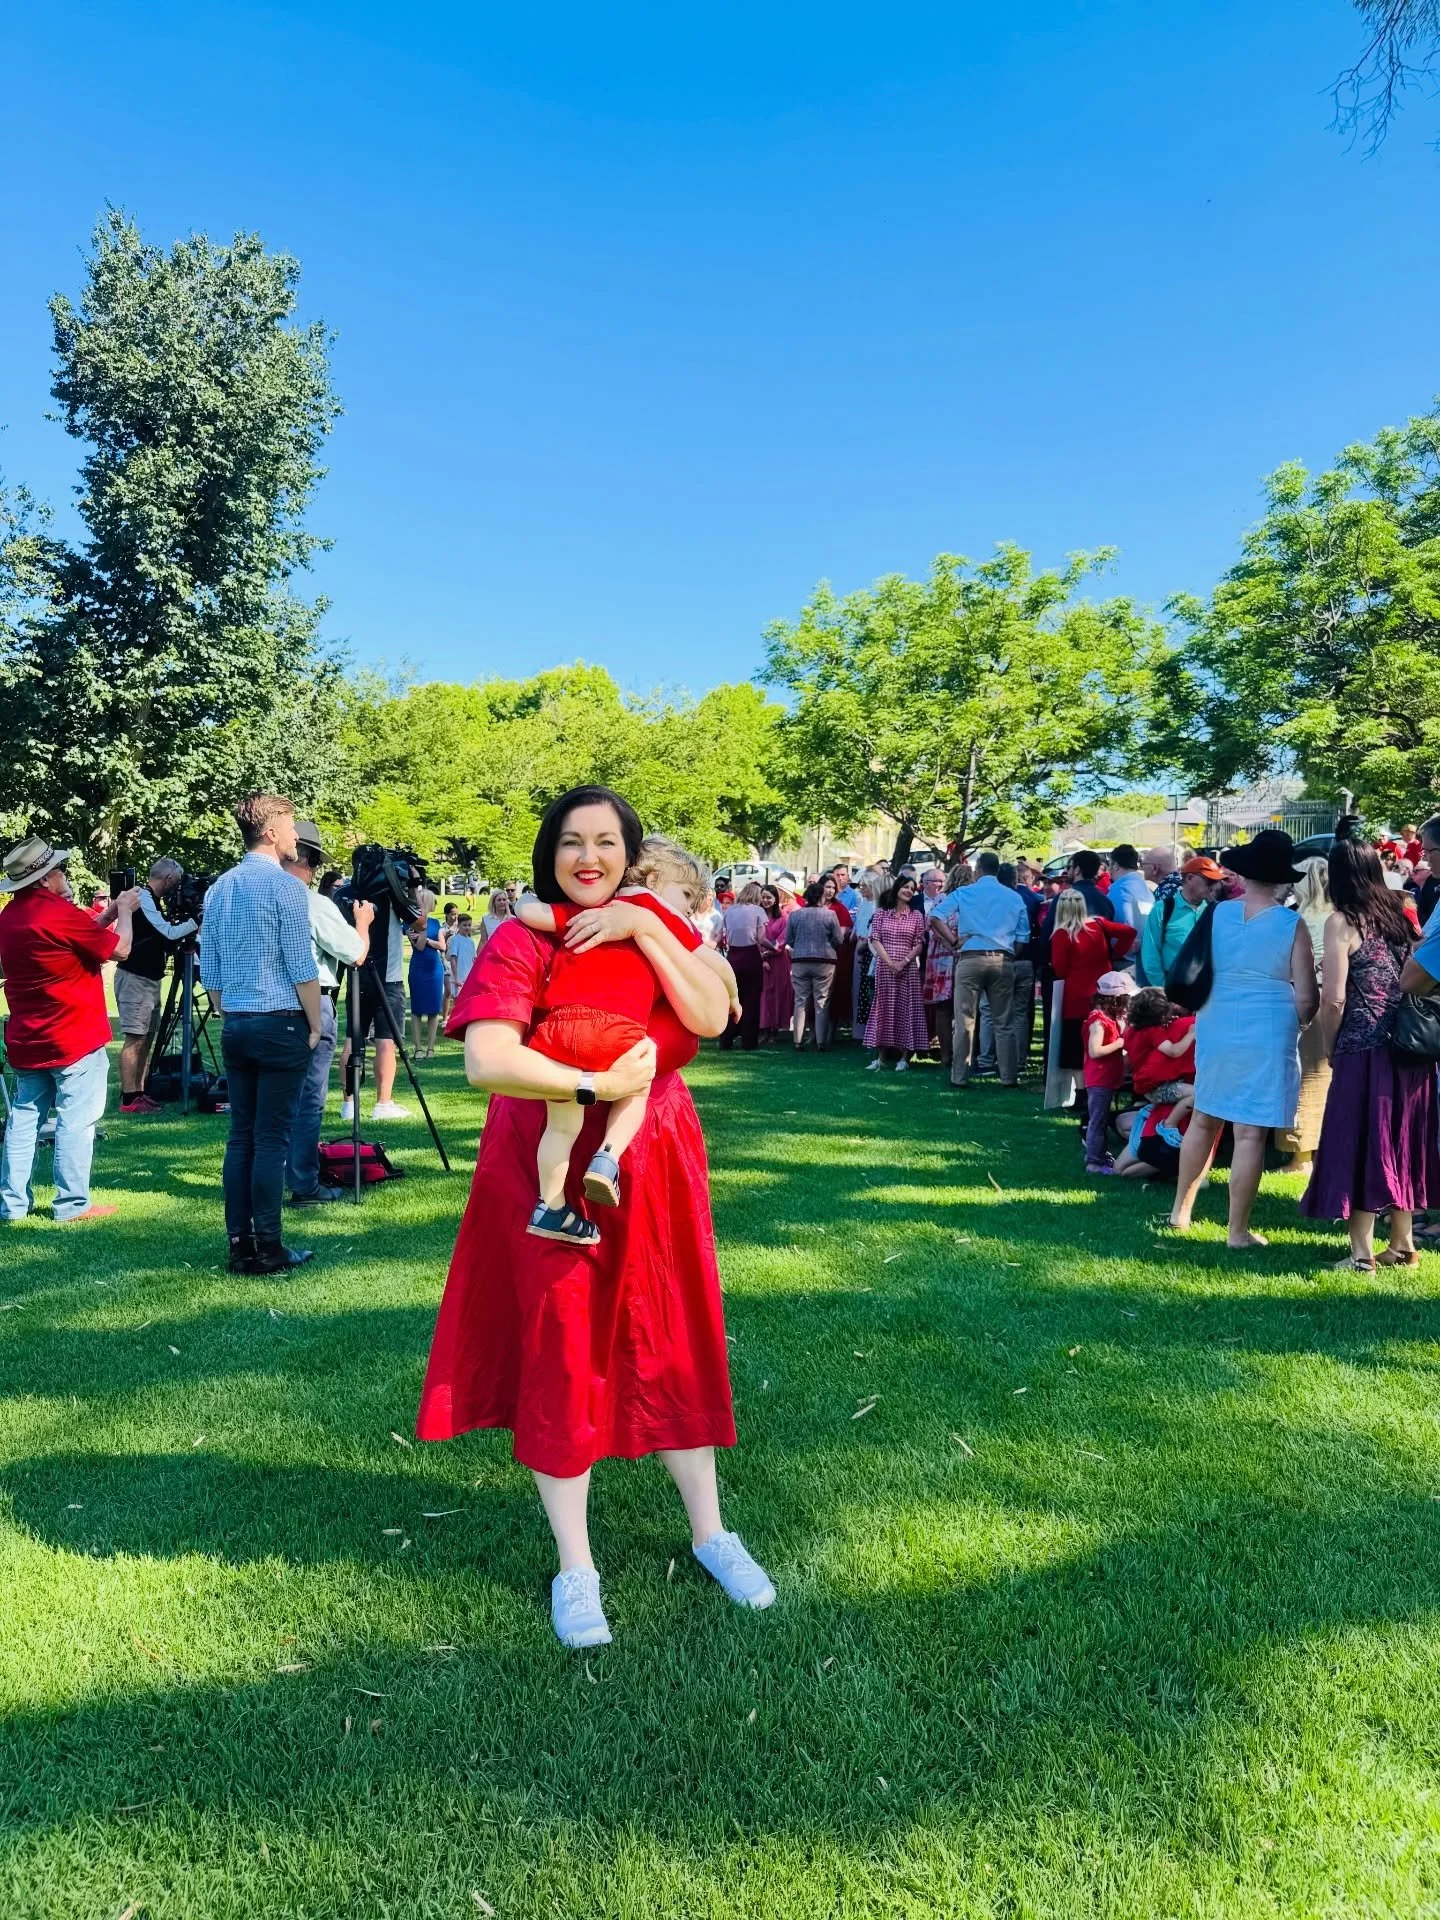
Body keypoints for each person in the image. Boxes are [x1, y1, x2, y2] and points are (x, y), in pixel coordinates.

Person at [415, 785, 774, 1651]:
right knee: (560, 1344)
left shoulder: (660, 932)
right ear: (550, 853)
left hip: (657, 1159)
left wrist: (646, 926)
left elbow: (710, 1017)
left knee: (671, 1334)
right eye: (572, 841)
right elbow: (487, 1060)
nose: (589, 857)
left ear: (631, 853)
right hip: (546, 1162)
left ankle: (710, 1533)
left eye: (607, 842)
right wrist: (594, 1087)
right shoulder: (522, 937)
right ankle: (576, 1566)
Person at [511, 819, 721, 1243]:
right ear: (657, 880)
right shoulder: (660, 916)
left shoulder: (594, 909)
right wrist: (732, 995)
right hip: (616, 1035)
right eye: (684, 897)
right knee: (635, 1083)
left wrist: (522, 904)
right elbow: (718, 975)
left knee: (560, 1128)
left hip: (559, 1031)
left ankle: (550, 1206)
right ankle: (607, 1157)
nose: (686, 908)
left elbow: (532, 911)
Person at [1169, 831, 1319, 1250]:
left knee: (1204, 1115)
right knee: (1250, 1132)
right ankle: (1237, 1231)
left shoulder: (1215, 914)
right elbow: (1306, 995)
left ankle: (1181, 1210)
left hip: (1217, 1015)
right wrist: (1304, 1021)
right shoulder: (1291, 924)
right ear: (1281, 879)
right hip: (1269, 1023)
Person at [1301, 838, 1440, 1270]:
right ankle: (1403, 1245)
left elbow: (1334, 1000)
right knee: (1402, 1141)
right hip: (1410, 1047)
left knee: (1359, 1140)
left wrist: (1329, 1046)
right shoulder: (1401, 914)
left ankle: (1361, 1252)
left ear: (1338, 876)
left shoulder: (1342, 921)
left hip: (1364, 1047)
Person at [200, 794, 325, 1275]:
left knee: (241, 1138)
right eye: (292, 827)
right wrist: (314, 1024)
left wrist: (226, 1011)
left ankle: (239, 1243)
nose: (297, 836)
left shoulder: (219, 889)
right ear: (272, 832)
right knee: (271, 1139)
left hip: (238, 1023)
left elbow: (210, 967)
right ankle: (268, 1245)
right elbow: (300, 965)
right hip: (280, 1021)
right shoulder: (286, 889)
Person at [0, 836, 139, 1225]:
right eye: (58, 869)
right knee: (76, 1120)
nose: (63, 874)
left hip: (29, 1036)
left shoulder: (9, 918)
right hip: (74, 1035)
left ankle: (12, 1205)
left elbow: (74, 937)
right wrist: (125, 912)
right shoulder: (60, 913)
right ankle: (72, 1204)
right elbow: (120, 950)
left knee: (23, 1121)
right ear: (44, 879)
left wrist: (109, 911)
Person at [281, 822, 373, 1209]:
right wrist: (364, 924)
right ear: (312, 862)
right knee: (308, 1097)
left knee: (266, 1100)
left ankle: (267, 1179)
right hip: (310, 1001)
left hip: (259, 1003)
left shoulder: (246, 893)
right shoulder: (312, 903)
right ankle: (303, 1182)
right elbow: (355, 954)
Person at [113, 858, 199, 1114]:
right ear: (169, 878)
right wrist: (197, 921)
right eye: (177, 882)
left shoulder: (152, 899)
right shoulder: (142, 897)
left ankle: (140, 1092)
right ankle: (129, 1098)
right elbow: (167, 933)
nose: (178, 888)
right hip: (134, 978)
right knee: (135, 1038)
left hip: (147, 978)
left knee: (147, 1037)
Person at [943, 851, 1031, 1089]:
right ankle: (1008, 1076)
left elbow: (936, 916)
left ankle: (959, 1075)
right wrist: (1012, 951)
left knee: (965, 1019)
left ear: (978, 869)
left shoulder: (965, 893)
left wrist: (952, 941)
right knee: (1004, 1021)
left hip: (970, 957)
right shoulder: (1013, 897)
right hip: (1002, 959)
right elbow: (1023, 935)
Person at [1046, 890, 1137, 1108]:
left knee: (1076, 1046)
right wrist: (1114, 954)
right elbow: (1129, 932)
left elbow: (1060, 968)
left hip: (1075, 996)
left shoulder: (1062, 934)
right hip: (1104, 992)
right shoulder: (1100, 925)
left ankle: (1081, 1093)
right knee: (1104, 1038)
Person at [1274, 856, 1333, 1177]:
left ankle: (1301, 1157)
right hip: (1336, 1003)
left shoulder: (1297, 919)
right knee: (1325, 1078)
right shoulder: (1339, 917)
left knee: (1301, 1080)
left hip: (1302, 1000)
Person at [863, 876, 929, 1071]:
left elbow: (919, 943)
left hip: (908, 970)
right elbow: (875, 939)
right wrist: (890, 963)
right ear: (897, 888)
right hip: (885, 968)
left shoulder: (916, 916)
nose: (909, 890)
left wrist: (904, 962)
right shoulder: (881, 914)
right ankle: (881, 1057)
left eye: (912, 888)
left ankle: (904, 1057)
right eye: (905, 887)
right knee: (884, 1009)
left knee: (906, 1009)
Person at [1137, 856, 1224, 988]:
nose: (1214, 886)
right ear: (1189, 878)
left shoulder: (1214, 910)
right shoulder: (1163, 909)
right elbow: (1150, 955)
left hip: (1207, 989)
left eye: (1215, 881)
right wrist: (1165, 990)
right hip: (1174, 987)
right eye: (1209, 881)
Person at [1082, 971, 1134, 1173]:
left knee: (1102, 1118)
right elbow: (1095, 1051)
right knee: (1098, 1120)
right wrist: (1120, 1042)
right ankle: (1094, 1162)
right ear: (1116, 999)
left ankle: (1100, 1155)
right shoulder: (1098, 1021)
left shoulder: (1112, 1018)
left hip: (1109, 1076)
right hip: (1099, 1078)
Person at [786, 881, 844, 1050]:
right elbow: (839, 939)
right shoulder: (830, 915)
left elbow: (789, 939)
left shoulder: (795, 915)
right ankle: (820, 1041)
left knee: (800, 1001)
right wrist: (828, 945)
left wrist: (801, 946)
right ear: (820, 897)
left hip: (800, 960)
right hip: (825, 961)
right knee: (822, 1001)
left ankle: (797, 1040)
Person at [719, 883, 768, 1051]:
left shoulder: (730, 910)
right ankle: (749, 1041)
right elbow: (761, 938)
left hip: (733, 956)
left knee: (732, 998)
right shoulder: (758, 911)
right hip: (751, 956)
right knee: (751, 1000)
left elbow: (720, 935)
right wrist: (774, 947)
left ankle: (726, 1039)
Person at [408, 886, 447, 1058]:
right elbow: (419, 946)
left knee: (433, 1010)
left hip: (434, 969)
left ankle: (430, 1048)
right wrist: (423, 930)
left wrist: (427, 938)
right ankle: (417, 1048)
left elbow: (443, 946)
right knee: (416, 1010)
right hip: (418, 968)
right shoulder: (410, 923)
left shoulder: (436, 923)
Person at [758, 883, 795, 1043]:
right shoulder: (758, 917)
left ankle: (774, 1030)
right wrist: (762, 956)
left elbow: (783, 939)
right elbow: (755, 936)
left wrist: (770, 951)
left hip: (779, 961)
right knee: (764, 995)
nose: (766, 900)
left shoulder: (783, 918)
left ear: (775, 899)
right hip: (760, 960)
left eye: (769, 897)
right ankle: (763, 1028)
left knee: (778, 994)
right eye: (763, 897)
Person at [819, 873, 855, 1034]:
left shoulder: (839, 908)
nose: (830, 891)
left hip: (835, 956)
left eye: (833, 888)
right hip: (814, 956)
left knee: (833, 995)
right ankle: (814, 1031)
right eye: (827, 887)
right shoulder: (811, 907)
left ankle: (831, 1031)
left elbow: (842, 934)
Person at [1105, 844, 1153, 961]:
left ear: (1115, 866)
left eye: (1110, 865)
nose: (1109, 870)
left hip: (1126, 959)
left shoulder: (1119, 891)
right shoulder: (1147, 890)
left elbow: (1123, 926)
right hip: (1147, 956)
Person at [448, 914, 478, 995]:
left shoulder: (471, 941)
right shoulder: (455, 940)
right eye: (464, 925)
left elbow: (473, 959)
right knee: (458, 1002)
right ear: (459, 926)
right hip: (459, 977)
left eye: (469, 925)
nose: (467, 927)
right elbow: (453, 959)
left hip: (469, 977)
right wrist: (456, 978)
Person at [476, 888, 513, 953]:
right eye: (499, 900)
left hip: (509, 954)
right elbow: (483, 941)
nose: (502, 902)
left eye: (504, 900)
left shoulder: (513, 919)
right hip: (492, 954)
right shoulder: (486, 919)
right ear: (494, 902)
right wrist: (479, 958)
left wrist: (508, 910)